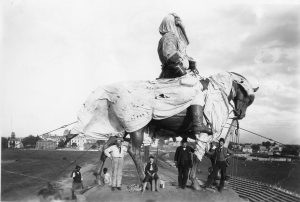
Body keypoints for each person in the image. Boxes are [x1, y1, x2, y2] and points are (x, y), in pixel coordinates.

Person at [157, 13, 212, 136]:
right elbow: (170, 56)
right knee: (197, 88)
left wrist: (190, 63)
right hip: (172, 73)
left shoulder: (172, 37)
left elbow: (179, 56)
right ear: (171, 24)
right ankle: (198, 125)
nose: (180, 28)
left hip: (174, 72)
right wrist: (183, 72)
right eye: (177, 25)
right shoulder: (169, 37)